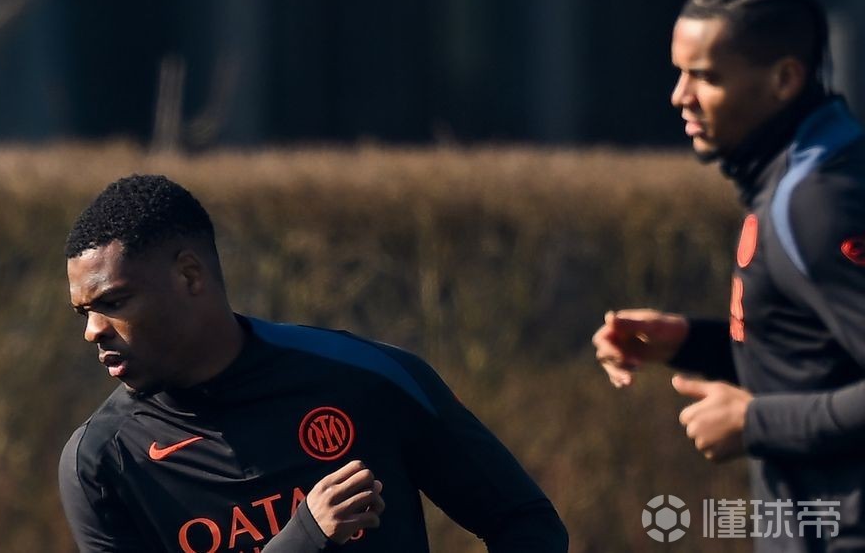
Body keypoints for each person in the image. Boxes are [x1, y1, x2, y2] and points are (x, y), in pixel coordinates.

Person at [60, 174, 567, 552]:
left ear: (190, 276)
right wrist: (304, 538)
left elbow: (526, 523)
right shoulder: (102, 462)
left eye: (113, 302)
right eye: (84, 312)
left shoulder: (367, 377)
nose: (93, 331)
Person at [592, 0, 865, 551]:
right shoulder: (796, 176)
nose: (680, 96)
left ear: (784, 79)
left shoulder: (819, 202)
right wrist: (690, 343)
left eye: (705, 77)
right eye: (679, 73)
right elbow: (817, 364)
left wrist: (754, 422)